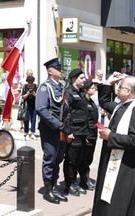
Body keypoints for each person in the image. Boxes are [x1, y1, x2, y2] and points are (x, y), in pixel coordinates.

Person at [92, 73, 135, 216]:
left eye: (120, 87)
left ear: (128, 91)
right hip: (111, 160)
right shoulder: (119, 106)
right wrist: (109, 82)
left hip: (125, 165)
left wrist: (111, 136)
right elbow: (103, 101)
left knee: (118, 203)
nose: (117, 89)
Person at [35, 57, 68, 204]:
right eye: (58, 68)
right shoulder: (45, 87)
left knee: (58, 159)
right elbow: (41, 108)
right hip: (50, 129)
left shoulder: (60, 86)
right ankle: (48, 190)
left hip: (61, 129)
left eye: (60, 68)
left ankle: (54, 187)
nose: (60, 70)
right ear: (50, 71)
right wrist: (57, 124)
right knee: (50, 158)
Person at [62, 68, 88, 196]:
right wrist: (68, 132)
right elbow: (65, 114)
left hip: (82, 132)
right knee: (71, 160)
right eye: (82, 78)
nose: (84, 80)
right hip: (73, 131)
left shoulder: (81, 93)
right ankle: (68, 185)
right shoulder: (69, 92)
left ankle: (74, 182)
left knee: (78, 160)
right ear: (74, 79)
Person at [79, 79, 98, 191]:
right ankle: (83, 180)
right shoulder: (83, 102)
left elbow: (94, 119)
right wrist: (84, 135)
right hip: (87, 134)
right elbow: (84, 119)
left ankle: (86, 178)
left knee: (89, 158)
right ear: (86, 89)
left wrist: (101, 127)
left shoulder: (91, 101)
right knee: (84, 158)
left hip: (93, 133)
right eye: (92, 87)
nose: (94, 89)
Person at [21, 75, 37, 140]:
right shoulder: (25, 87)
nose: (30, 83)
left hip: (34, 106)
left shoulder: (36, 86)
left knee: (33, 120)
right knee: (26, 120)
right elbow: (23, 97)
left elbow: (38, 96)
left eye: (31, 82)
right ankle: (26, 133)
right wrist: (27, 94)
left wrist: (33, 94)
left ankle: (32, 133)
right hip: (26, 106)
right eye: (29, 82)